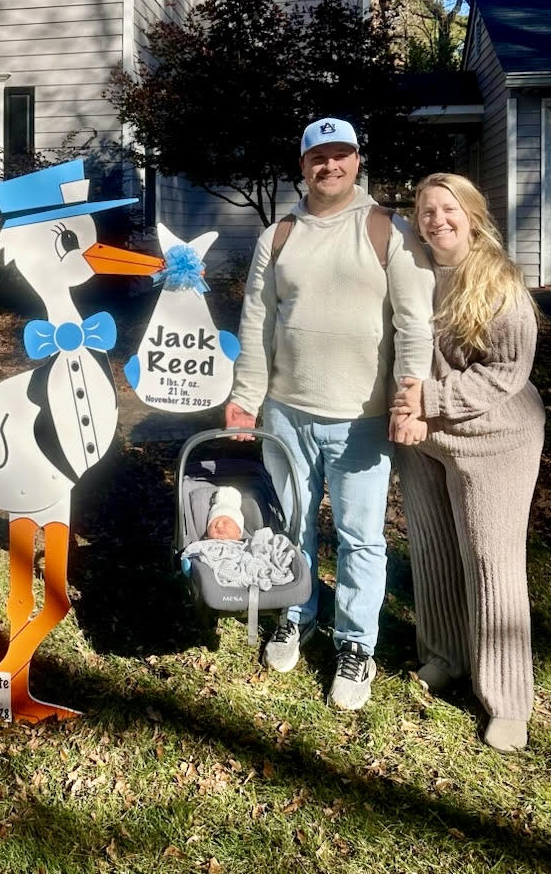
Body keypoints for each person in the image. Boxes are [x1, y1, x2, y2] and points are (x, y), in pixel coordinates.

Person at [225, 116, 434, 710]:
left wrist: (410, 394)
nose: (330, 166)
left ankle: (356, 645)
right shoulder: (279, 236)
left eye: (341, 155)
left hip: (361, 418)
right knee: (290, 524)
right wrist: (245, 396)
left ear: (357, 161)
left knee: (360, 538)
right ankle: (296, 613)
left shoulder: (387, 231)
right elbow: (257, 322)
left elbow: (414, 323)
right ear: (303, 166)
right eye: (319, 157)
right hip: (286, 411)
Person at [390, 173, 544, 753]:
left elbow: (507, 371)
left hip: (494, 437)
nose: (437, 220)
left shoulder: (497, 281)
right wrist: (406, 411)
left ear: (472, 215)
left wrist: (428, 400)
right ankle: (445, 656)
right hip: (425, 437)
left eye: (448, 209)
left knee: (489, 561)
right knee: (431, 551)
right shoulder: (410, 271)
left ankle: (506, 700)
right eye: (426, 211)